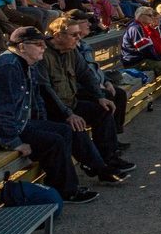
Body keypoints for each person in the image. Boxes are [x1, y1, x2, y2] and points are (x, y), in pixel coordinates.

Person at [0, 27, 100, 202]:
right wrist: (14, 142)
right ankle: (67, 191)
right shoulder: (8, 66)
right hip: (2, 131)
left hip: (20, 122)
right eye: (38, 44)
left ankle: (66, 182)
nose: (44, 47)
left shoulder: (27, 63)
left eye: (43, 43)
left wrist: (43, 124)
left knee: (64, 130)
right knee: (54, 141)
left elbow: (36, 101)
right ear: (22, 47)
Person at [41, 18, 135, 181]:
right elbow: (46, 91)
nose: (79, 38)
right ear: (58, 36)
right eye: (74, 35)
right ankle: (100, 168)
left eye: (79, 34)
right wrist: (68, 114)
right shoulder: (42, 56)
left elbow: (86, 74)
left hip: (71, 103)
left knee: (103, 110)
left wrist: (99, 96)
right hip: (53, 110)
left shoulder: (71, 50)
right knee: (75, 128)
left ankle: (109, 158)